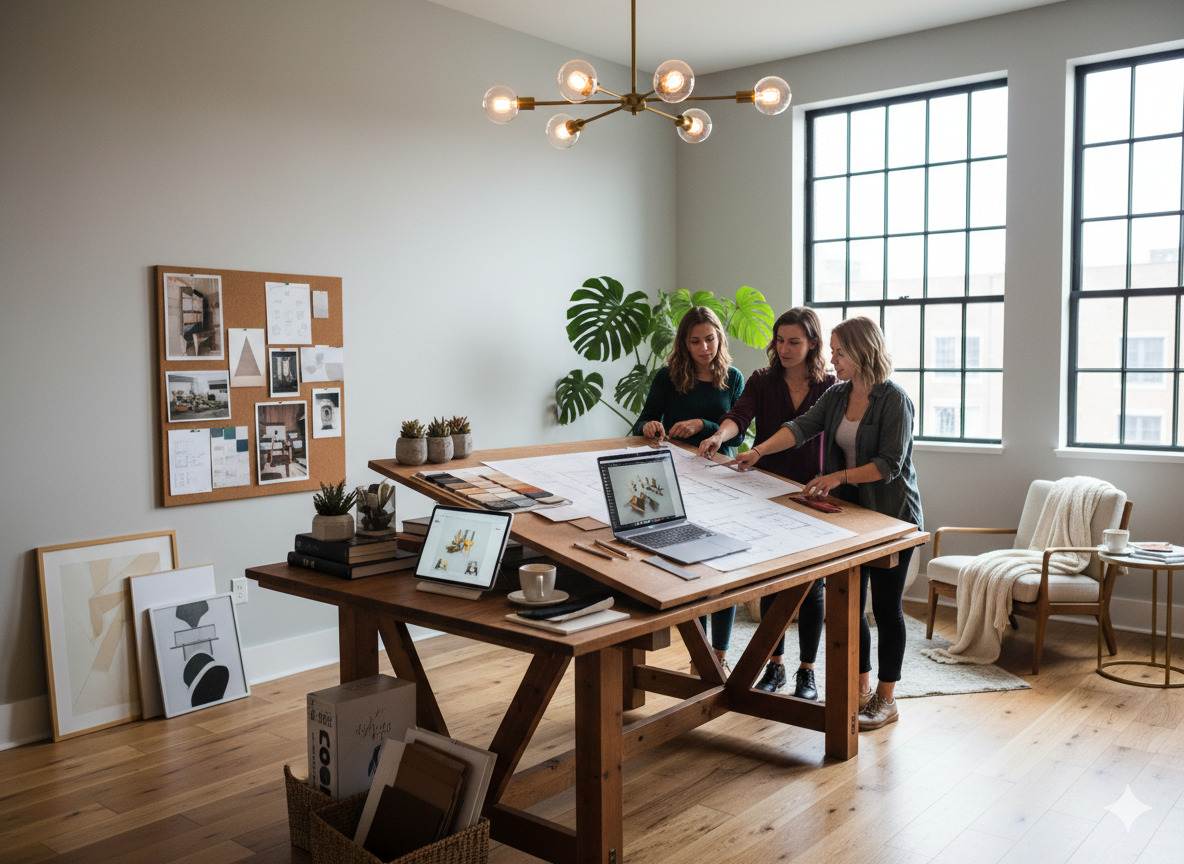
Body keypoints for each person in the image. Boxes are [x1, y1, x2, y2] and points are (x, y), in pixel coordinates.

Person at [727, 316, 923, 730]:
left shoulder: (895, 400)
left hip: (891, 519)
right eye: (832, 351)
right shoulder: (837, 395)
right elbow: (800, 428)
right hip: (849, 518)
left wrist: (838, 477)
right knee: (851, 611)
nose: (831, 359)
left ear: (863, 351)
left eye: (839, 352)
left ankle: (887, 700)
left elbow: (889, 465)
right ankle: (862, 691)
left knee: (887, 611)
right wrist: (758, 453)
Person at [698, 307, 835, 700]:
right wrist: (719, 437)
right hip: (766, 490)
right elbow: (738, 417)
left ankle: (807, 672)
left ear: (812, 343)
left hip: (812, 493)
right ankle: (774, 665)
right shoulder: (762, 379)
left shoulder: (829, 384)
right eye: (780, 341)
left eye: (795, 341)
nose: (786, 349)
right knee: (773, 583)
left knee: (813, 585)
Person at [634, 306, 744, 671]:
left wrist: (704, 423)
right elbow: (644, 418)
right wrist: (650, 425)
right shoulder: (668, 376)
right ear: (684, 343)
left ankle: (719, 655)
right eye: (695, 341)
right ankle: (700, 656)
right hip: (675, 479)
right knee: (693, 567)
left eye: (709, 339)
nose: (704, 347)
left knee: (724, 568)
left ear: (719, 337)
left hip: (721, 479)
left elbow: (739, 431)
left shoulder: (734, 377)